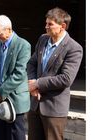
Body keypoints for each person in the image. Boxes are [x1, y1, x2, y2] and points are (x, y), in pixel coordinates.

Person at [27, 7, 83, 140]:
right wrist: (32, 82)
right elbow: (31, 63)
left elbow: (66, 78)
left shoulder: (74, 48)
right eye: (46, 23)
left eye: (50, 24)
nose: (46, 27)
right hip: (35, 105)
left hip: (54, 109)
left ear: (62, 26)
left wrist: (37, 83)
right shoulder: (43, 39)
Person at [0, 15, 31, 140]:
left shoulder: (23, 45)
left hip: (15, 99)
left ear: (9, 29)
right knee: (0, 135)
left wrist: (1, 92)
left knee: (15, 136)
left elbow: (19, 73)